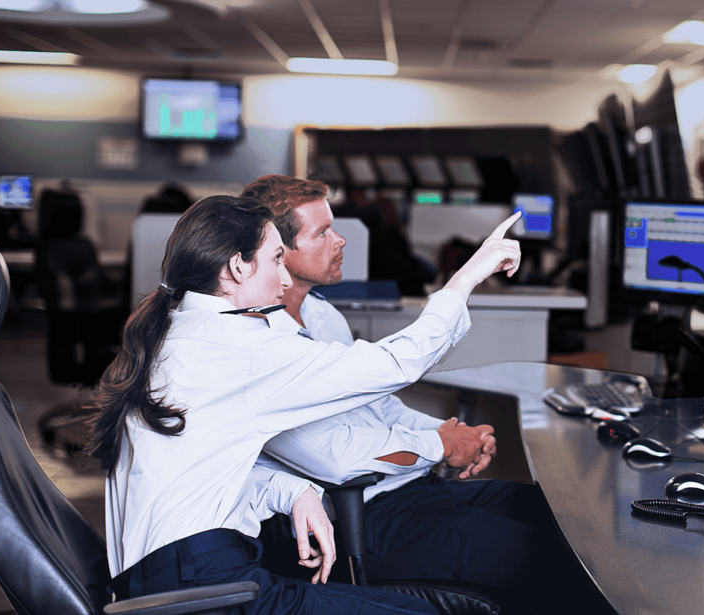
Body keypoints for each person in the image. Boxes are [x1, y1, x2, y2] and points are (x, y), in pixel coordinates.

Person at [88, 194, 522, 614]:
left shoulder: (182, 330)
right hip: (197, 585)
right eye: (276, 259)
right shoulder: (240, 348)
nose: (283, 278)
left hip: (182, 573)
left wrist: (291, 491)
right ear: (238, 266)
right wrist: (467, 276)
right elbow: (395, 364)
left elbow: (195, 477)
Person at [240, 175, 565, 598]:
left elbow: (377, 405)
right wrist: (441, 445)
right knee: (543, 559)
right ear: (279, 253)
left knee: (554, 517)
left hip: (410, 487)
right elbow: (335, 457)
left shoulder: (322, 316)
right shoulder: (262, 347)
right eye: (322, 232)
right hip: (366, 513)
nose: (340, 241)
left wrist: (451, 434)